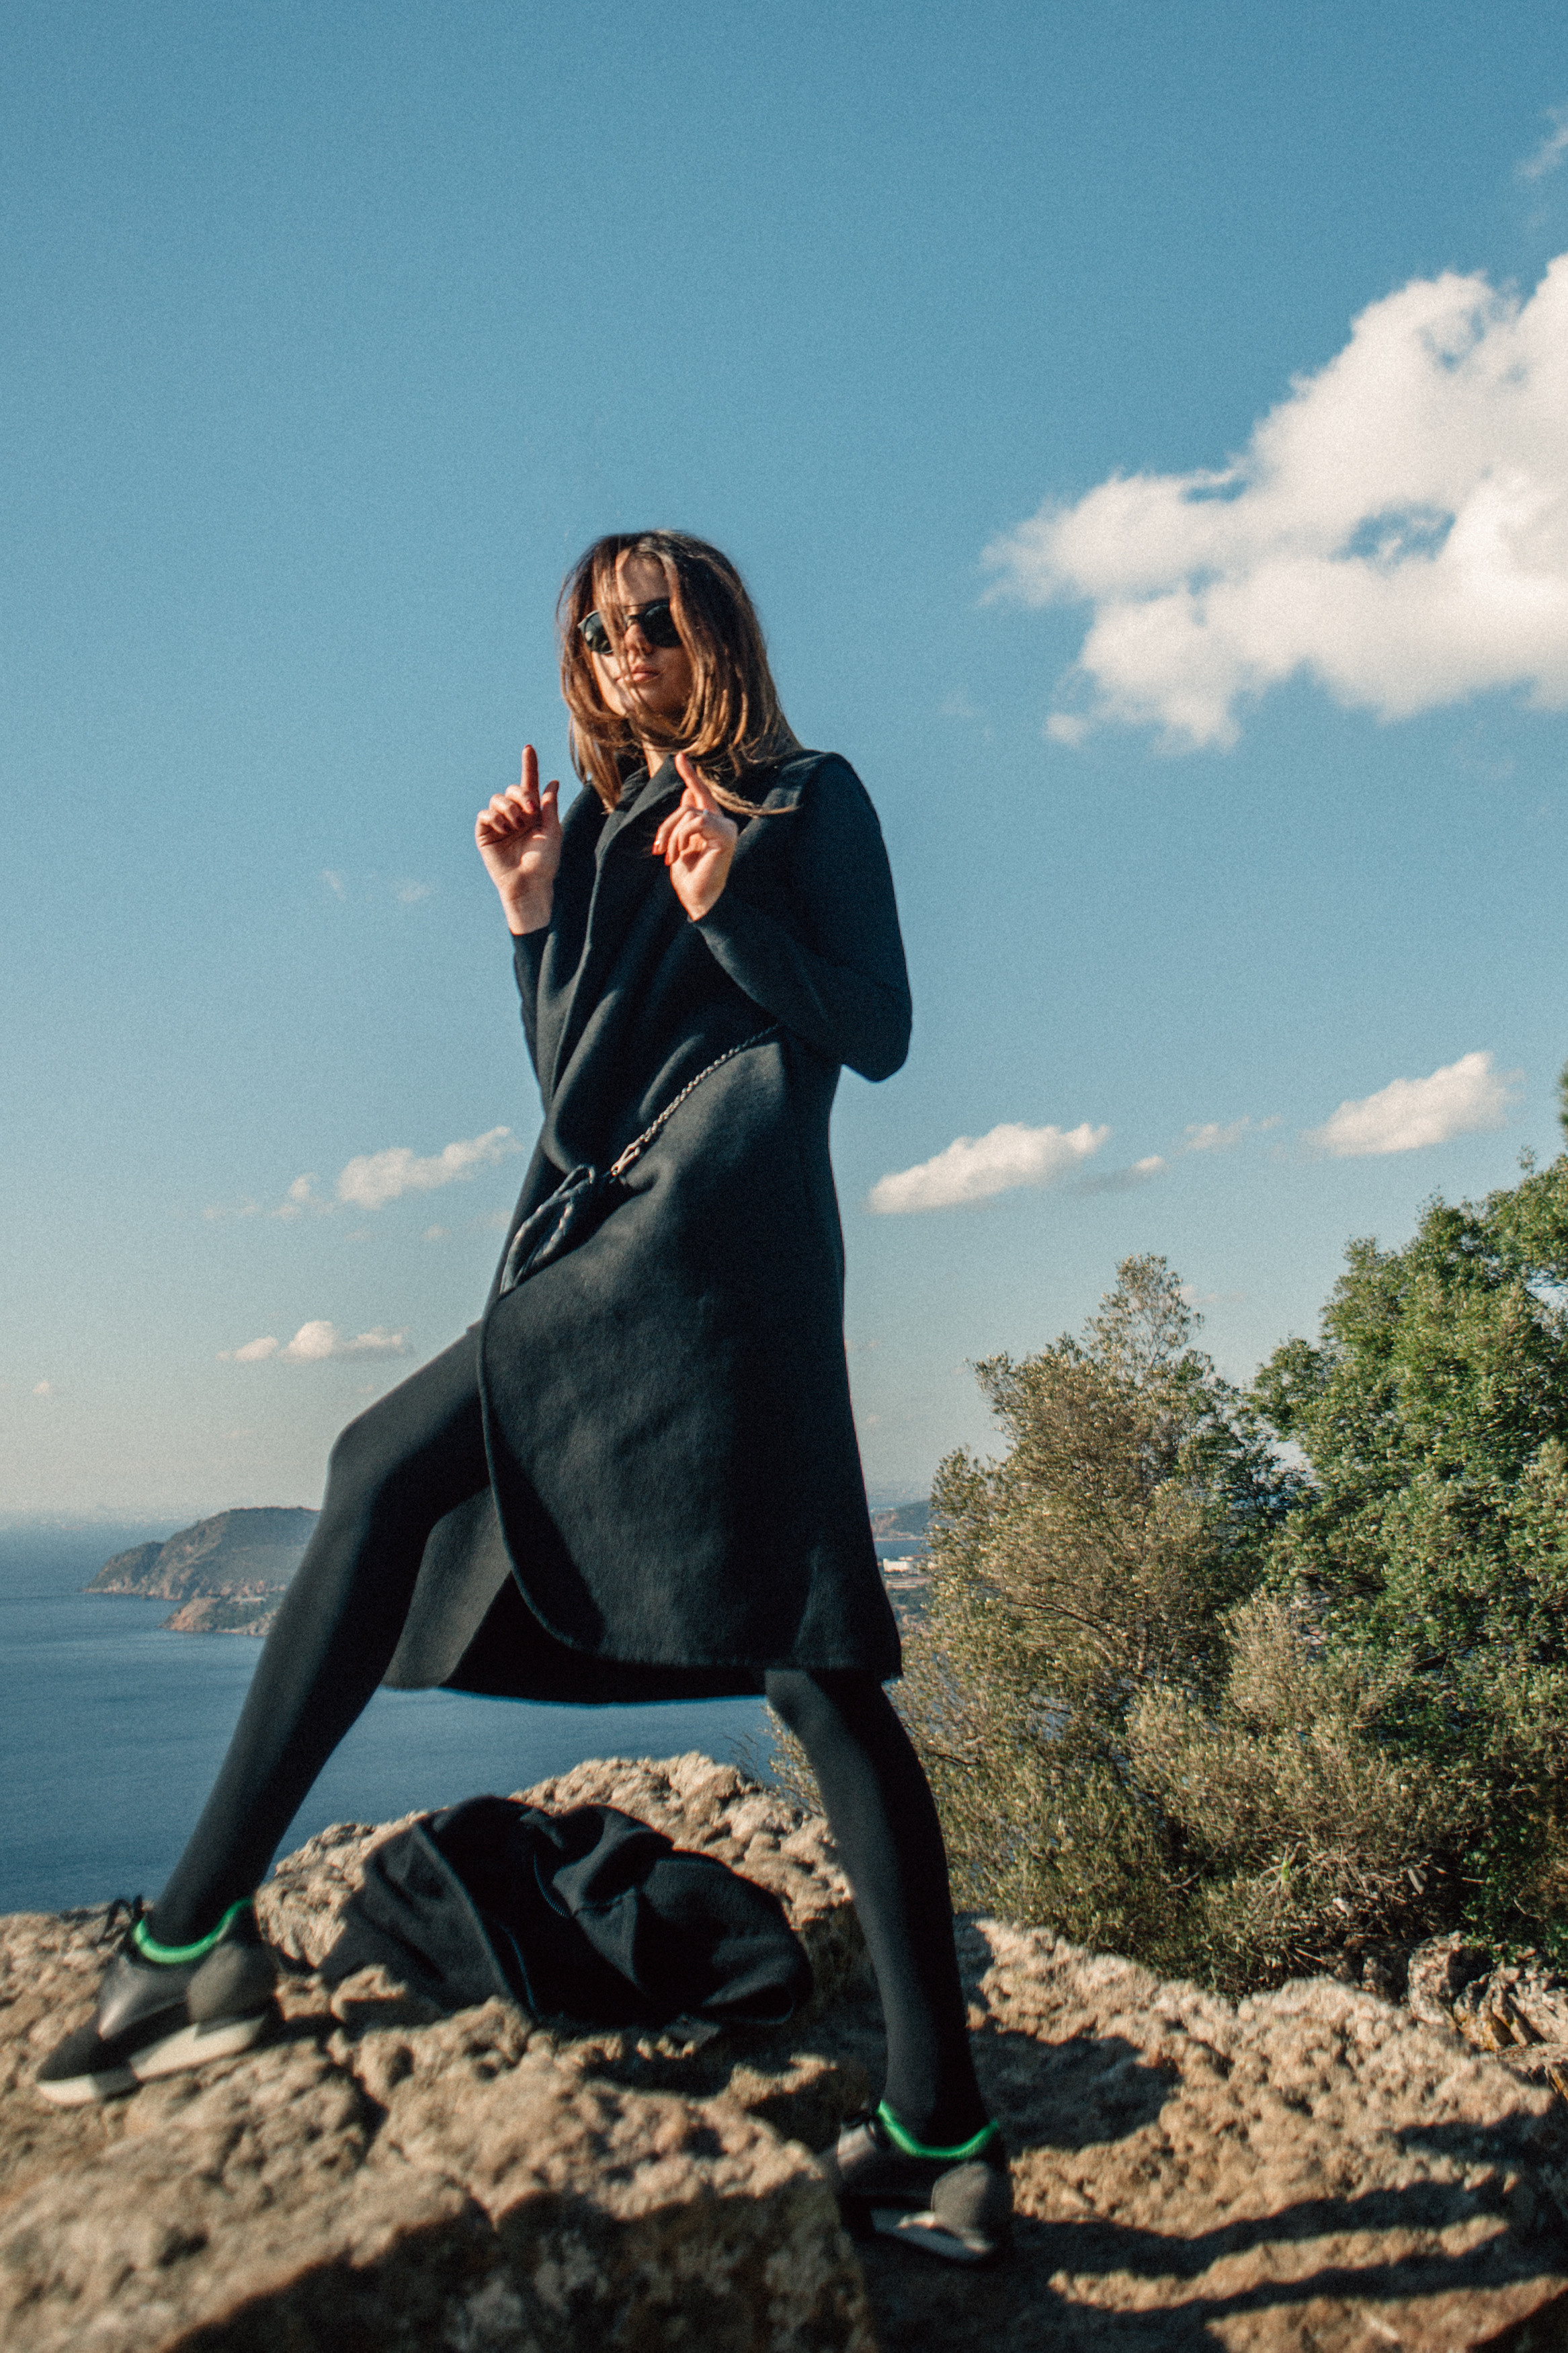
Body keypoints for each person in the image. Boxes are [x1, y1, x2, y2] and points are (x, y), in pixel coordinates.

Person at [36, 531, 1010, 2264]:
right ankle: (940, 2135)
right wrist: (536, 909)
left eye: (657, 615)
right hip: (619, 1240)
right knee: (814, 1670)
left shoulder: (806, 797)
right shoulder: (628, 818)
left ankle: (184, 1954)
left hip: (720, 1257)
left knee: (384, 1466)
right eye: (597, 627)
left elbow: (877, 1028)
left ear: (719, 624)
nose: (626, 646)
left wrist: (732, 915)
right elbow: (577, 1092)